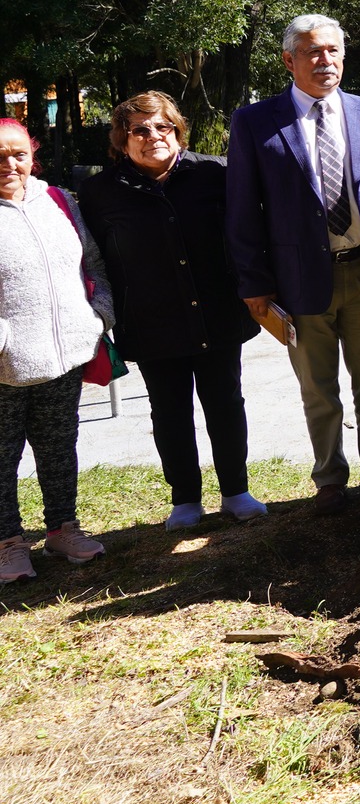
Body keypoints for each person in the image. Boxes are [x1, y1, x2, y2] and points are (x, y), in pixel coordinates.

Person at [226, 15, 360, 513]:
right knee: (318, 386)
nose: (324, 60)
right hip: (299, 282)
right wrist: (255, 284)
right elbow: (242, 209)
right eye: (312, 52)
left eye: (333, 50)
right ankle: (330, 479)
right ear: (289, 60)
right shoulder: (255, 122)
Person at [80, 93, 265, 530]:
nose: (152, 137)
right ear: (122, 141)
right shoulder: (99, 192)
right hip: (150, 321)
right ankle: (185, 498)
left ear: (177, 130)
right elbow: (93, 260)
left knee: (225, 402)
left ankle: (236, 490)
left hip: (216, 312)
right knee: (169, 411)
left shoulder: (215, 173)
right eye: (139, 131)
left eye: (162, 127)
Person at [0, 120, 114, 580]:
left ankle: (62, 529)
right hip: (4, 366)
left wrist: (98, 315)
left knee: (58, 447)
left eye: (18, 155)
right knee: (1, 457)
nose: (10, 164)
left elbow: (94, 262)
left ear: (33, 155)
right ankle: (8, 543)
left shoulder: (59, 201)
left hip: (64, 354)